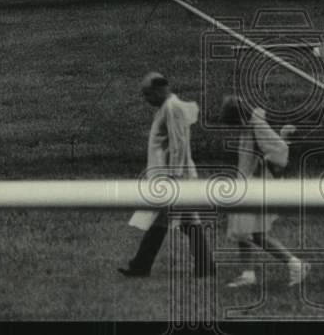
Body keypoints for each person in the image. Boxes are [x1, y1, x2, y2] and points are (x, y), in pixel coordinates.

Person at [119, 72, 214, 279]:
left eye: (147, 95)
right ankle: (206, 266)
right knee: (189, 221)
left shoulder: (172, 107)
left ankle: (140, 266)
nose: (146, 100)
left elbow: (179, 144)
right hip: (174, 176)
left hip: (176, 178)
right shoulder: (168, 107)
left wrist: (174, 176)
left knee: (161, 221)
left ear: (158, 90)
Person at [218, 95, 308, 288]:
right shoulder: (251, 124)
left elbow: (279, 148)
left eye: (235, 123)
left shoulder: (257, 125)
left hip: (257, 187)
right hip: (246, 185)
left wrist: (263, 165)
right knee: (242, 232)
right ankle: (248, 274)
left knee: (258, 234)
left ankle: (296, 264)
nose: (235, 128)